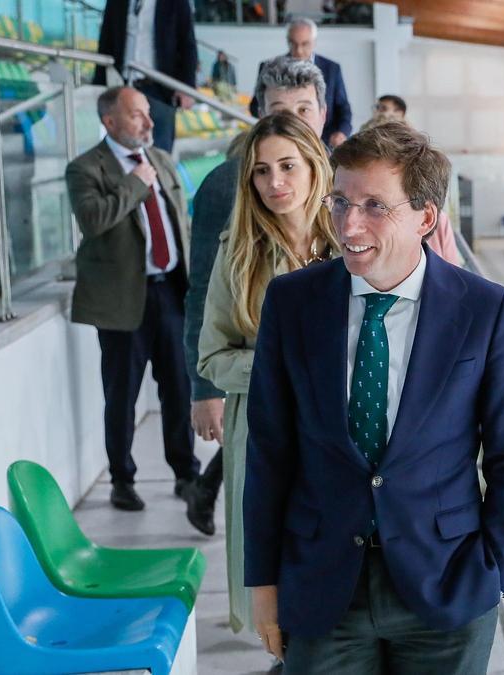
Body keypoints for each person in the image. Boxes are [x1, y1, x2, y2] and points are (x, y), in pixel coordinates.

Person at [244, 121, 504, 672]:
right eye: (339, 202)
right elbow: (269, 455)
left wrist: (499, 568)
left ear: (425, 217)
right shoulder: (292, 303)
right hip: (322, 583)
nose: (348, 223)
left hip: (447, 586)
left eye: (374, 206)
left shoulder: (484, 309)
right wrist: (262, 584)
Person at [197, 112, 338, 634]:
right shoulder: (236, 254)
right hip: (265, 429)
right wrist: (282, 364)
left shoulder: (350, 243)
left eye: (287, 166)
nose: (274, 183)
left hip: (343, 431)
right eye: (260, 171)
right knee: (275, 572)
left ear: (314, 166)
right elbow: (212, 357)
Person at [182, 55, 331, 536]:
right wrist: (207, 392)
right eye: (277, 107)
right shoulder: (226, 191)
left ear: (321, 116)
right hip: (269, 422)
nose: (275, 182)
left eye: (304, 109)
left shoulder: (353, 221)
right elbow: (204, 293)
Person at [66, 86, 199, 511]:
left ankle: (186, 474)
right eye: (137, 114)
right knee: (121, 395)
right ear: (109, 122)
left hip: (172, 293)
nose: (149, 122)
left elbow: (182, 222)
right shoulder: (86, 168)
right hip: (123, 301)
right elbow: (92, 220)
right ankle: (122, 480)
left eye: (147, 113)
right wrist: (133, 184)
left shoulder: (161, 159)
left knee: (178, 389)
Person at [94, 0, 198, 153]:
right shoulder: (117, 3)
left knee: (160, 151)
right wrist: (99, 84)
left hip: (159, 88)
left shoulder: (176, 3)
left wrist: (187, 87)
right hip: (123, 86)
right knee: (122, 149)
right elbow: (106, 40)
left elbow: (187, 43)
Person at [249, 18, 351, 148]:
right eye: (293, 44)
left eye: (305, 44)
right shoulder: (268, 68)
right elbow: (254, 106)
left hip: (323, 142)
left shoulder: (332, 68)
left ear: (314, 42)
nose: (299, 50)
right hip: (280, 141)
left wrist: (341, 132)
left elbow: (343, 107)